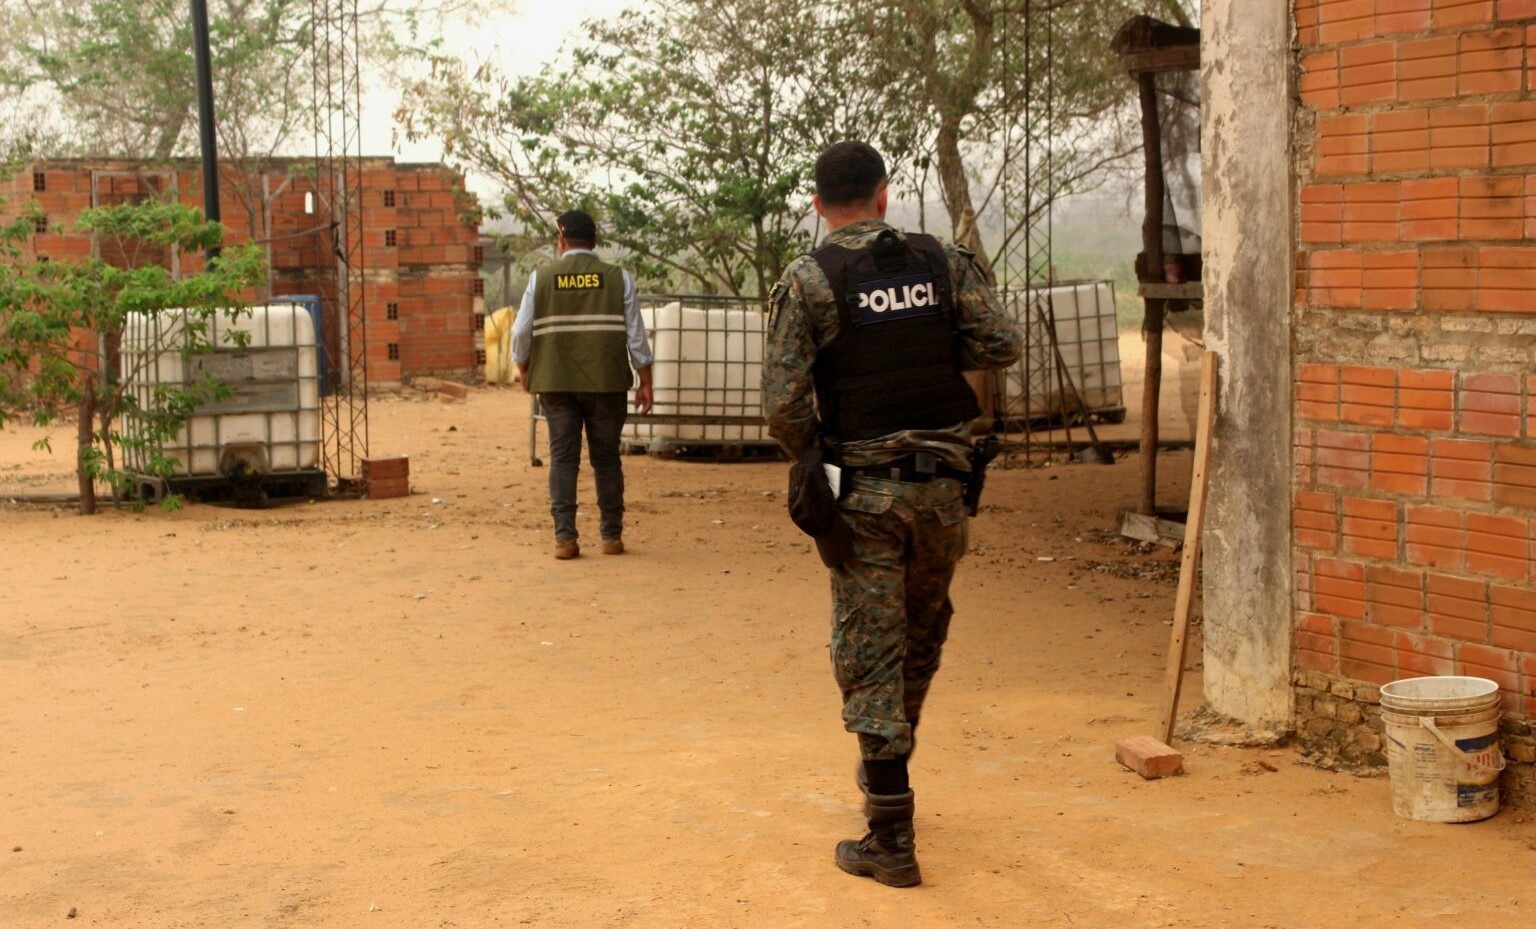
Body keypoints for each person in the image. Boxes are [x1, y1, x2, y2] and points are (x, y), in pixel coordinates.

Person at [761, 141, 1023, 887]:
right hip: (944, 489)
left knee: (869, 649)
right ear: (883, 194)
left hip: (867, 497)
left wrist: (816, 460)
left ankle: (891, 837)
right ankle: (890, 775)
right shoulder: (944, 262)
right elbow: (999, 345)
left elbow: (781, 405)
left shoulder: (809, 280)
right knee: (919, 633)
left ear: (818, 205)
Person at [512, 209, 654, 559]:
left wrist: (524, 368)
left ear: (561, 241)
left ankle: (565, 538)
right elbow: (636, 336)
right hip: (606, 384)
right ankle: (611, 536)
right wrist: (645, 380)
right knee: (606, 459)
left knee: (563, 459)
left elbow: (520, 332)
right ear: (596, 241)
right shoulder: (618, 277)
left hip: (556, 384)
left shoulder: (541, 278)